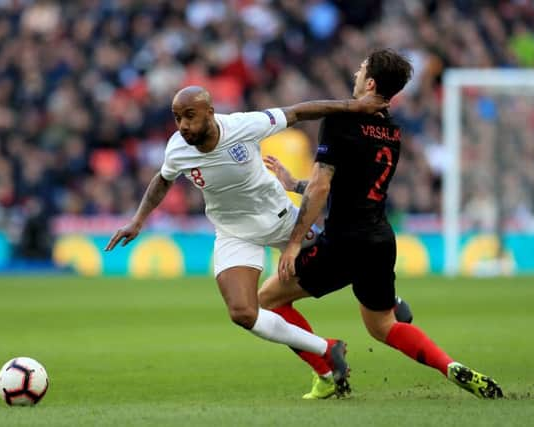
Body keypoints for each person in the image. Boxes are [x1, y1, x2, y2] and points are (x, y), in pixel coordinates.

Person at [105, 85, 391, 392]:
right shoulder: (177, 149)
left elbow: (299, 111)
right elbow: (163, 178)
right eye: (177, 118)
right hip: (234, 233)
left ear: (210, 113)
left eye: (190, 116)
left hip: (281, 220)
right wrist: (138, 221)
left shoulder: (243, 126)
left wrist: (354, 106)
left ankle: (389, 301)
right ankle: (327, 349)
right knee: (243, 312)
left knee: (347, 257)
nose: (184, 125)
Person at [259, 49, 503, 399]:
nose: (356, 73)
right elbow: (350, 186)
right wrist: (296, 184)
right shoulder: (392, 131)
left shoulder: (340, 120)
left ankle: (326, 366)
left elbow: (324, 185)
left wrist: (296, 243)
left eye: (361, 69)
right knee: (383, 325)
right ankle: (448, 365)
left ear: (370, 82)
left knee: (268, 299)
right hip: (380, 239)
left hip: (344, 241)